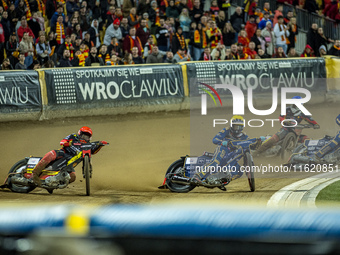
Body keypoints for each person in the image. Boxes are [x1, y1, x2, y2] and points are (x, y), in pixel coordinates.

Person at [190, 116, 260, 190]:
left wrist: (258, 142)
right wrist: (222, 142)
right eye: (235, 126)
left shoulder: (244, 136)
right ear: (231, 125)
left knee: (239, 172)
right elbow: (215, 139)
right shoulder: (226, 130)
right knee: (215, 162)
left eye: (239, 127)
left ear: (242, 127)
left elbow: (251, 146)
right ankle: (197, 176)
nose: (237, 129)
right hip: (223, 149)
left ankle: (221, 181)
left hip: (232, 155)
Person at [30, 127, 107, 187]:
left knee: (72, 177)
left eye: (87, 137)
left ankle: (54, 183)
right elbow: (62, 142)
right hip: (62, 154)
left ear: (89, 138)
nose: (84, 138)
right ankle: (35, 174)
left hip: (70, 163)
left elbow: (93, 151)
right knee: (51, 154)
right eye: (83, 135)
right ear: (80, 134)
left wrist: (100, 145)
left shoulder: (88, 145)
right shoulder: (73, 136)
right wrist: (68, 143)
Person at [255, 96, 320, 155]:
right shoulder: (286, 109)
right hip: (285, 129)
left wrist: (315, 124)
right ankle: (256, 153)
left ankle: (311, 155)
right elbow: (281, 117)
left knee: (308, 140)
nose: (294, 105)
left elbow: (310, 120)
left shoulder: (303, 113)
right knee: (272, 140)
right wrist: (286, 121)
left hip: (296, 132)